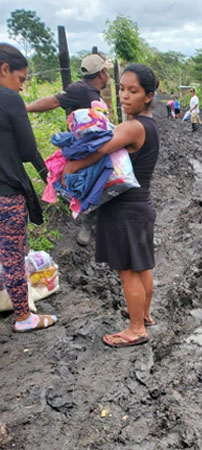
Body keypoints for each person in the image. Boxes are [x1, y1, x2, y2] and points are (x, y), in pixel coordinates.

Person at [62, 64, 160, 347]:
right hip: (141, 205)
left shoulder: (132, 126)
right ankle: (145, 314)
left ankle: (136, 328)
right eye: (121, 89)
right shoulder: (149, 125)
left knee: (127, 270)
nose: (125, 96)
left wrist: (70, 168)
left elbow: (99, 149)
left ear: (148, 96)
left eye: (134, 91)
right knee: (142, 266)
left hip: (124, 210)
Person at [26, 53, 112, 247]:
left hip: (98, 147)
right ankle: (87, 225)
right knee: (93, 185)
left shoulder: (95, 94)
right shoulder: (80, 90)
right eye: (107, 71)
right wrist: (25, 108)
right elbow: (53, 101)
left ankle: (103, 223)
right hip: (84, 150)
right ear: (102, 73)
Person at [0, 43, 58, 332]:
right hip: (6, 195)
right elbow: (27, 150)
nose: (21, 88)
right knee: (11, 256)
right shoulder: (9, 100)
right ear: (4, 69)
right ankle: (24, 317)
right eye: (21, 79)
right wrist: (50, 177)